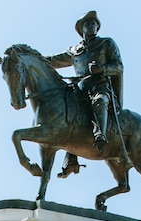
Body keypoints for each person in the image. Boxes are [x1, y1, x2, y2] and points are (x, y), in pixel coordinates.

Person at [46, 11, 123, 176]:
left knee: (99, 101)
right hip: (79, 90)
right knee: (69, 114)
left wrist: (102, 69)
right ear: (82, 29)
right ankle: (71, 159)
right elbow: (53, 60)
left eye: (95, 24)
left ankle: (100, 135)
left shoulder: (106, 44)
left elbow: (119, 67)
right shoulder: (75, 51)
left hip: (101, 86)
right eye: (88, 24)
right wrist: (35, 59)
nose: (92, 26)